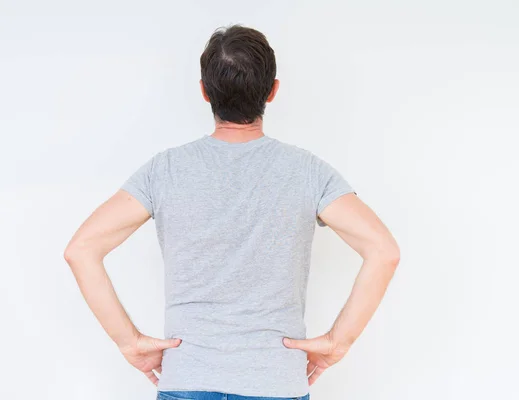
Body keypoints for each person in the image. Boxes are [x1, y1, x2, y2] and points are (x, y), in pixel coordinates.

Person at [64, 24, 400, 400]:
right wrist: (339, 342)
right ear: (272, 91)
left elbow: (81, 250)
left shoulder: (165, 170)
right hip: (277, 384)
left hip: (187, 380)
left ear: (205, 92)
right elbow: (384, 251)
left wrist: (130, 343)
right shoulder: (308, 171)